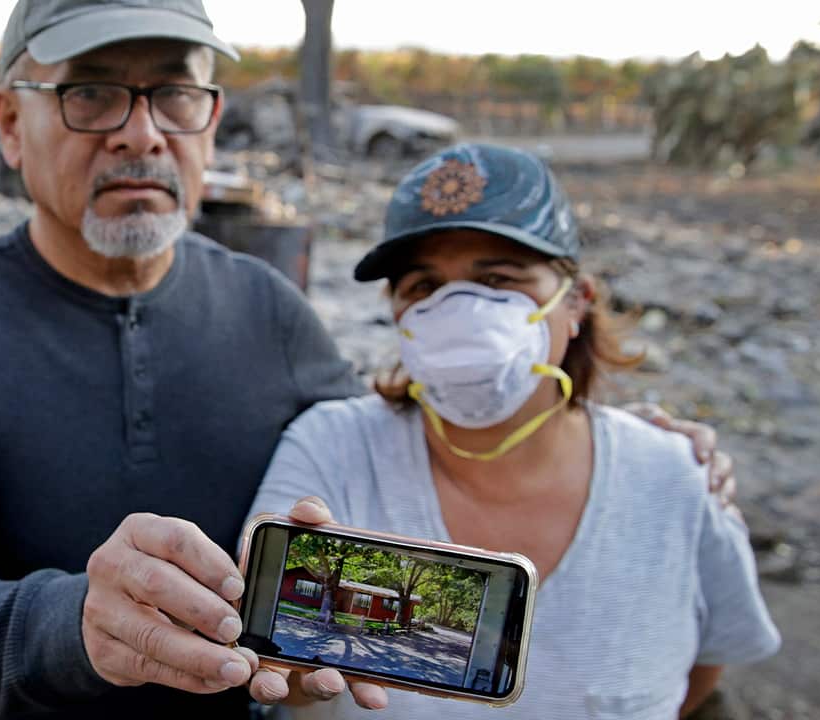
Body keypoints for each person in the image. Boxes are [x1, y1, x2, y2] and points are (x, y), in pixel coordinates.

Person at [0, 3, 733, 717]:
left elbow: (399, 443)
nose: (140, 133)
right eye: (91, 95)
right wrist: (74, 625)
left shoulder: (269, 307)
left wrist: (621, 446)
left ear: (211, 120)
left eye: (174, 95)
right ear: (9, 122)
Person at [245, 143, 780, 719]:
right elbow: (274, 667)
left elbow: (701, 676)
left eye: (498, 278)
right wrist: (289, 660)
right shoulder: (330, 453)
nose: (461, 312)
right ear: (396, 311)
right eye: (424, 287)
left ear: (577, 302)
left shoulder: (675, 479)